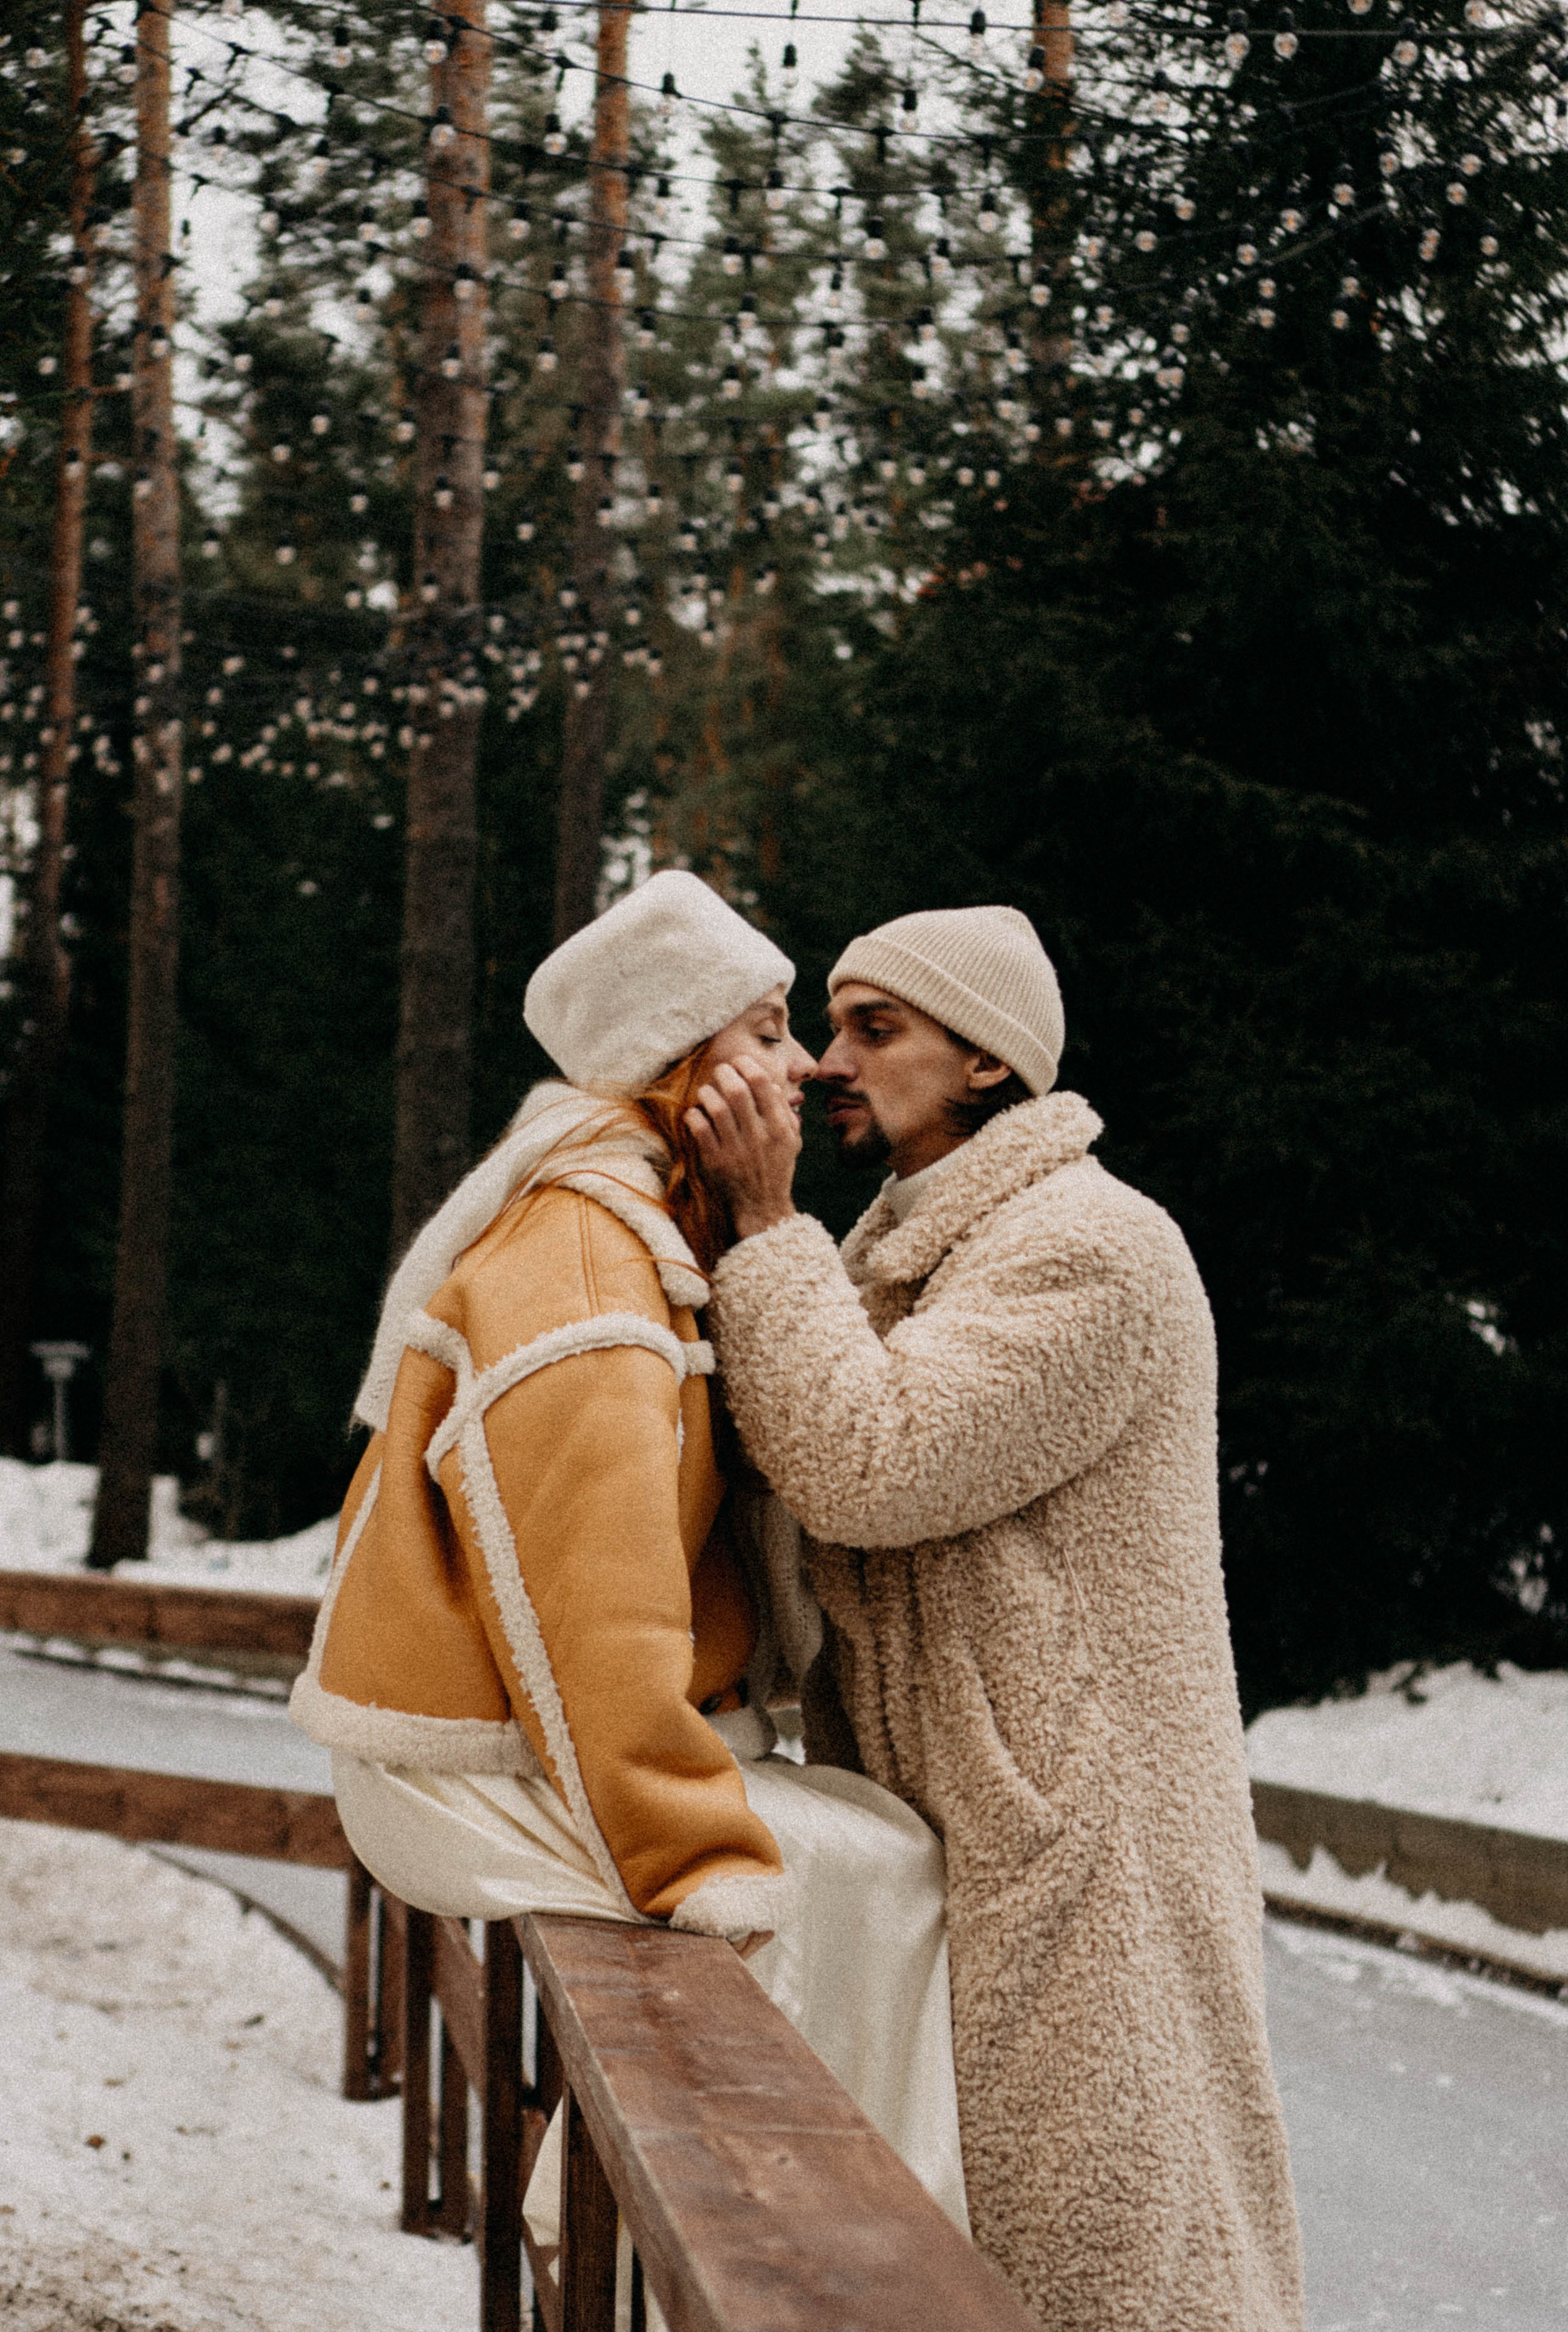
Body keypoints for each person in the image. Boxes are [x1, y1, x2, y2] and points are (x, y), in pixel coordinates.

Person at [289, 871, 968, 2239]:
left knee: (886, 1851)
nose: (799, 1068)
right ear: (682, 1061)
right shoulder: (589, 1274)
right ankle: (726, 2254)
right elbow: (583, 1627)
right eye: (768, 1030)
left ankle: (821, 2246)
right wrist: (692, 1859)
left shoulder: (643, 1228)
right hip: (464, 1771)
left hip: (513, 1748)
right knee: (870, 1884)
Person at [688, 903, 1307, 2332]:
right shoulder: (900, 1254)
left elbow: (866, 1466)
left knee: (1111, 2260)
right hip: (961, 1824)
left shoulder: (1095, 1248)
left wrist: (765, 1224)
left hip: (1085, 1849)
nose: (829, 1061)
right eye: (827, 1024)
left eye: (874, 1028)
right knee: (954, 2250)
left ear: (986, 1063)